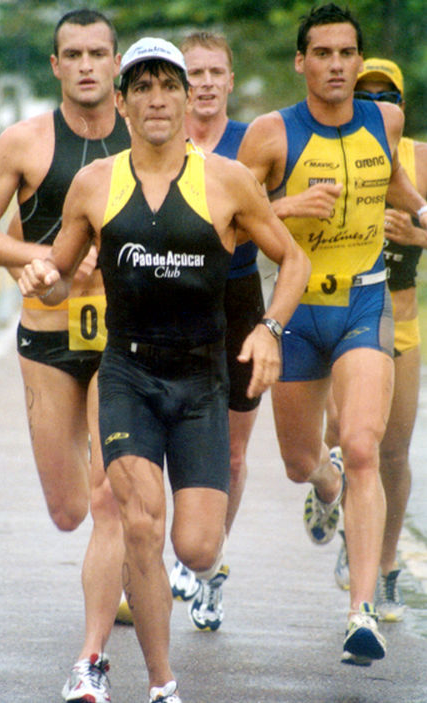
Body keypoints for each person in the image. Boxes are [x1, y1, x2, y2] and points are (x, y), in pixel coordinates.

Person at [18, 37, 310, 703]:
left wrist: (269, 330)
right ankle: (159, 681)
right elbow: (57, 279)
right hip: (126, 376)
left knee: (199, 546)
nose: (156, 98)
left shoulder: (228, 180)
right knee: (139, 523)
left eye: (168, 86)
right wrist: (43, 275)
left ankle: (166, 634)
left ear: (186, 99)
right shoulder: (95, 184)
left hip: (202, 380)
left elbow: (292, 260)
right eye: (142, 87)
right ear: (121, 102)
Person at [237, 2, 427, 666]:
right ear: (301, 61)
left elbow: (397, 186)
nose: (338, 65)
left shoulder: (386, 120)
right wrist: (285, 205)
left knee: (364, 444)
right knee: (299, 461)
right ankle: (325, 485)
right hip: (295, 314)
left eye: (348, 53)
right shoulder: (269, 134)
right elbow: (228, 221)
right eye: (323, 53)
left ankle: (361, 609)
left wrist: (425, 213)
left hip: (362, 306)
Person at [0, 9, 132, 702]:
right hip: (49, 338)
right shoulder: (26, 143)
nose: (87, 65)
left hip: (125, 339)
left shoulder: (144, 139)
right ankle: (110, 542)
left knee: (109, 498)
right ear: (56, 66)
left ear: (117, 63)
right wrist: (44, 257)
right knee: (68, 509)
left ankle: (91, 658)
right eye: (73, 54)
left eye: (98, 53)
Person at [168, 31, 265, 632]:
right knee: (167, 438)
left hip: (239, 293)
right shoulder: (159, 138)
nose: (204, 83)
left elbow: (271, 219)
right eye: (193, 73)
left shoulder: (253, 142)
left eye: (214, 73)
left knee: (230, 451)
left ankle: (210, 569)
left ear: (231, 81)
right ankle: (181, 546)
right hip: (172, 296)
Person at [326, 58, 427, 621]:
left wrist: (417, 234)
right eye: (367, 95)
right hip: (344, 319)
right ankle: (339, 509)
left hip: (403, 323)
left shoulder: (420, 160)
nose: (377, 104)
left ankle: (383, 568)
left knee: (392, 452)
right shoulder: (333, 147)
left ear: (402, 105)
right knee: (340, 437)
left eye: (387, 95)